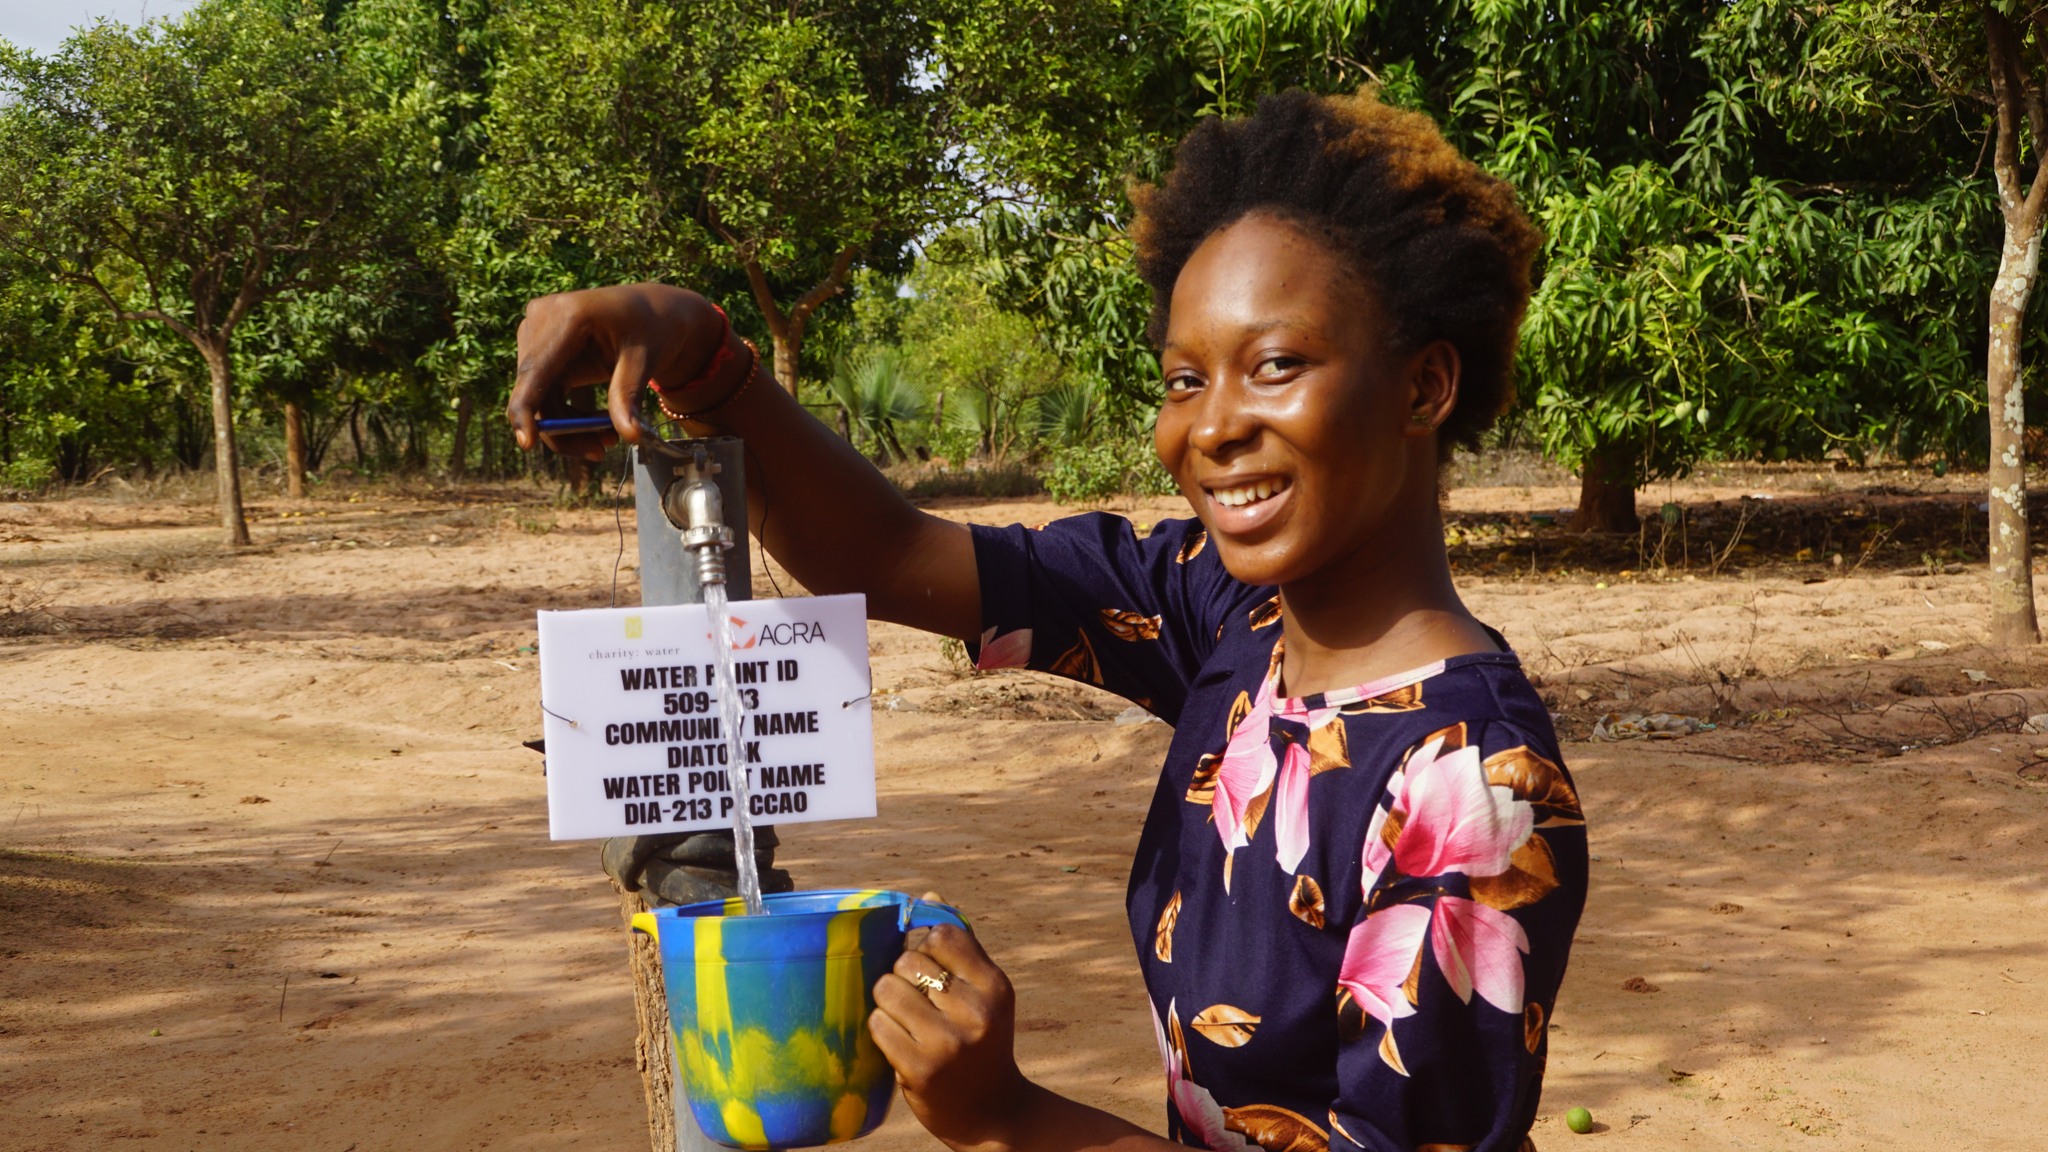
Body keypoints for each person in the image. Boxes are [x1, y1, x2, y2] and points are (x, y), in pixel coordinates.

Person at [509, 87, 1586, 1152]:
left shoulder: (1468, 786)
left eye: (1275, 365)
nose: (1213, 426)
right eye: (1183, 378)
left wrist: (1008, 1118)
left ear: (1423, 387)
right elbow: (891, 555)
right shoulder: (1234, 619)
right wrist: (701, 357)